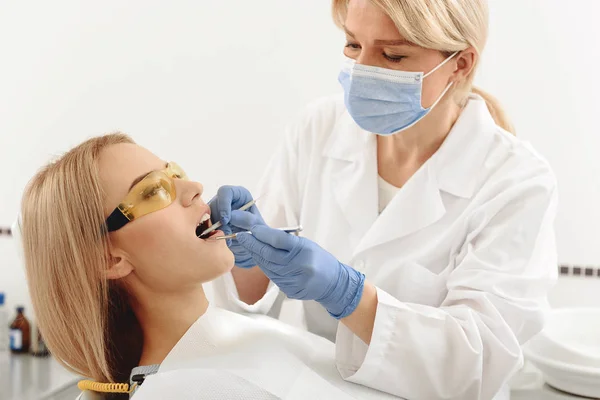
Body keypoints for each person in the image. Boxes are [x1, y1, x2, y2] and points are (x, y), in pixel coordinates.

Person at [210, 0, 558, 399]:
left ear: (460, 63)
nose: (363, 70)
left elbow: (475, 365)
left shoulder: (516, 181)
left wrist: (351, 296)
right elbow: (253, 302)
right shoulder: (317, 129)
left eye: (393, 55)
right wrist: (244, 254)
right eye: (353, 46)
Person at [17, 133, 397, 399]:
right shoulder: (181, 390)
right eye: (152, 191)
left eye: (175, 173)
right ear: (109, 258)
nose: (195, 187)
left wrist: (350, 296)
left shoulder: (242, 339)